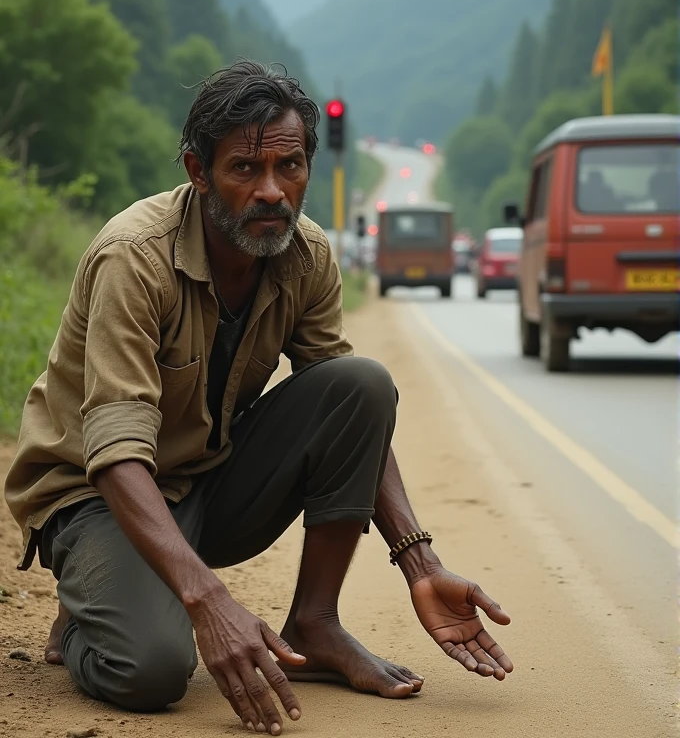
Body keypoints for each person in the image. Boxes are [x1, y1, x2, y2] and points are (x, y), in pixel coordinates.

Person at [4, 61, 513, 734]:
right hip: (99, 492)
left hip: (204, 480)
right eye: (245, 169)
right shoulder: (134, 257)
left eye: (291, 166)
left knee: (359, 382)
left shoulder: (307, 256)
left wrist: (420, 562)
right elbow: (116, 452)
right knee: (152, 671)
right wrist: (209, 600)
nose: (273, 191)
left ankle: (316, 623)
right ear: (197, 170)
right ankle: (85, 619)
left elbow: (351, 416)